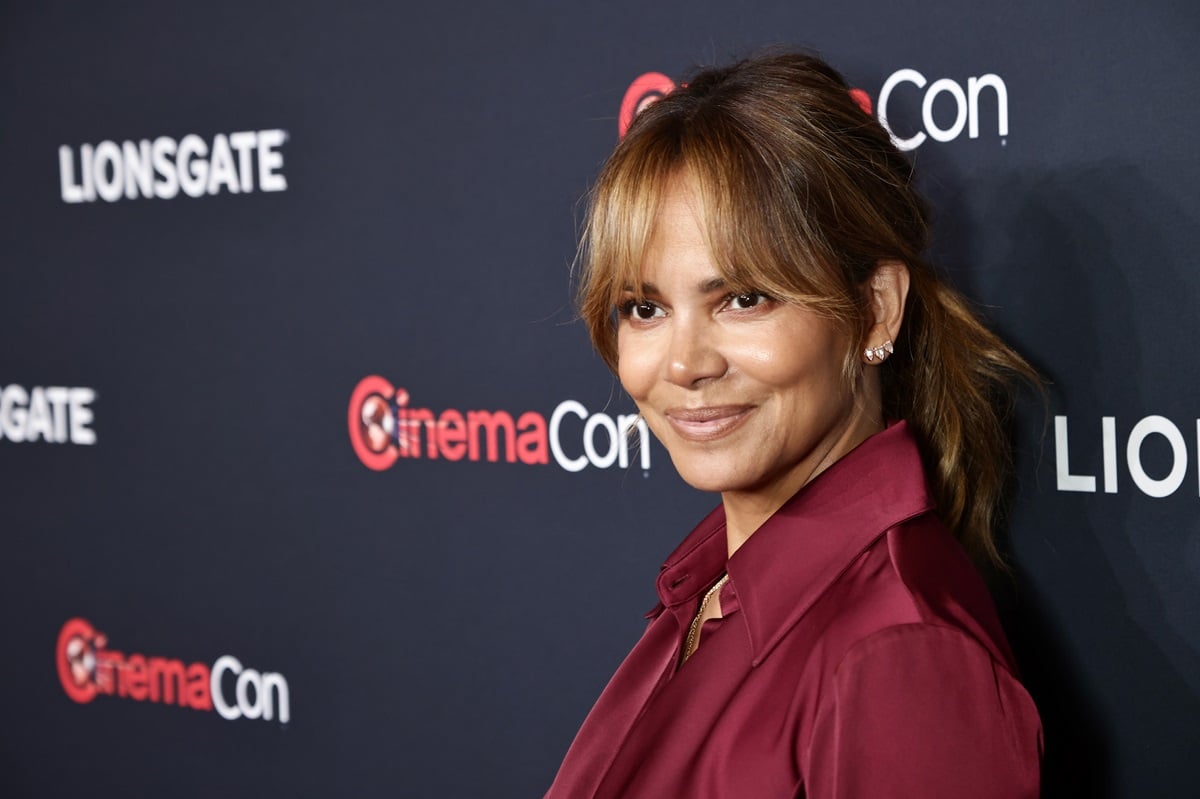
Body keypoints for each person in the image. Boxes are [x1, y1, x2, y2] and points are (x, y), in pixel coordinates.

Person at [545, 52, 1043, 798]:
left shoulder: (900, 656)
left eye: (742, 298)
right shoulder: (709, 588)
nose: (684, 364)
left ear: (876, 308)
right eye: (644, 308)